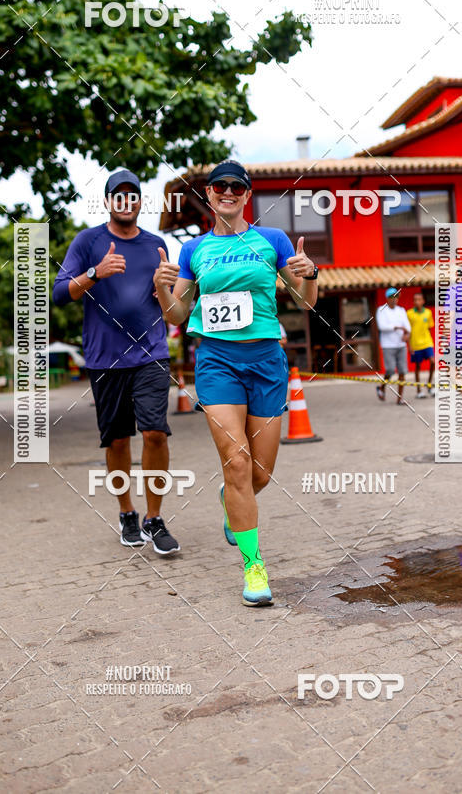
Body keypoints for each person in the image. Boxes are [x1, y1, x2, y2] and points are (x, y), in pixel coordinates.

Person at [153, 159, 318, 606]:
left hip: (266, 362)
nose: (228, 192)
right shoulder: (194, 250)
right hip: (217, 362)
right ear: (209, 194)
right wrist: (162, 287)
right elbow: (177, 315)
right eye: (219, 186)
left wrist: (310, 274)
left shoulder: (273, 240)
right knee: (238, 462)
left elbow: (304, 302)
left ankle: (231, 500)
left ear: (247, 195)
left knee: (260, 472)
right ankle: (254, 566)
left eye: (236, 187)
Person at [53, 168, 180, 555]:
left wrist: (163, 286)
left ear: (140, 201)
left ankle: (154, 518)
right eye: (118, 195)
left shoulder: (156, 244)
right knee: (118, 439)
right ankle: (127, 512)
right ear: (108, 201)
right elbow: (60, 293)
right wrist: (95, 272)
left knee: (155, 432)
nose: (126, 201)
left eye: (133, 195)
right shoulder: (88, 241)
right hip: (105, 359)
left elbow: (170, 303)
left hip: (151, 354)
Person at [375, 287, 410, 404]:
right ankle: (381, 387)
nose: (394, 299)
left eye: (396, 297)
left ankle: (400, 398)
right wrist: (397, 327)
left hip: (401, 345)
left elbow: (407, 327)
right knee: (390, 370)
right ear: (387, 298)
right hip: (388, 345)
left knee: (402, 371)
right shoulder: (381, 310)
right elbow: (382, 326)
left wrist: (407, 334)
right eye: (392, 297)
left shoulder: (401, 310)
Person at [406, 291, 435, 398]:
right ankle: (419, 391)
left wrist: (431, 342)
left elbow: (429, 328)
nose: (417, 302)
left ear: (423, 301)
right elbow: (407, 331)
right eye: (415, 300)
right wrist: (409, 346)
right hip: (415, 344)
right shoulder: (409, 314)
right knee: (418, 367)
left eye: (419, 299)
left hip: (427, 343)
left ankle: (429, 385)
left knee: (433, 362)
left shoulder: (428, 312)